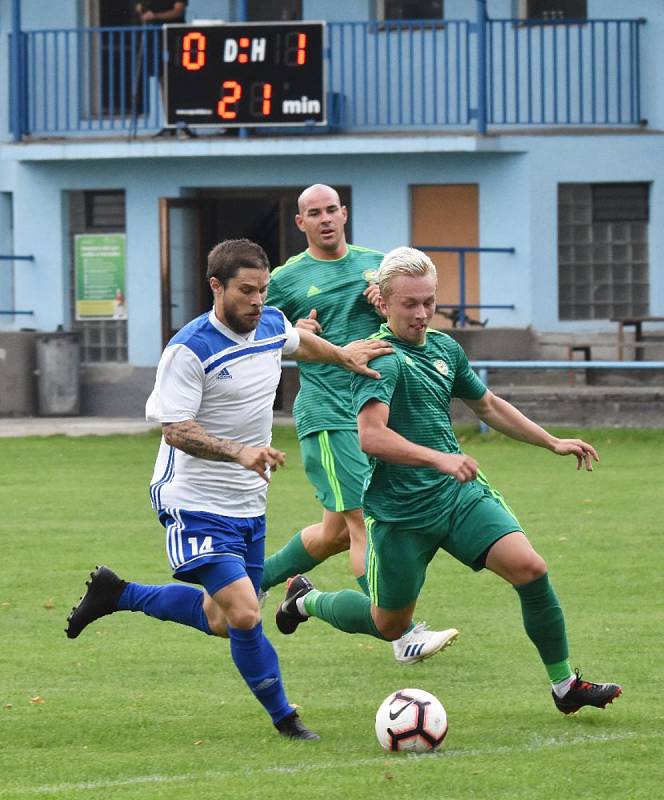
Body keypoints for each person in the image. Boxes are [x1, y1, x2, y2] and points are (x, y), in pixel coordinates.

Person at [65, 238, 392, 740]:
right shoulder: (189, 348)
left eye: (262, 289)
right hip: (191, 500)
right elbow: (175, 428)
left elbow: (299, 343)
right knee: (243, 612)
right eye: (246, 290)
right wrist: (239, 452)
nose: (257, 300)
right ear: (216, 286)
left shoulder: (269, 323)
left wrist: (342, 356)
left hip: (247, 501)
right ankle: (287, 720)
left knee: (220, 619)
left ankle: (120, 594)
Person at [276, 246, 622, 716]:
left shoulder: (444, 349)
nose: (421, 314)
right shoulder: (377, 359)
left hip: (457, 498)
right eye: (410, 304)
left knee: (531, 569)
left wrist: (551, 441)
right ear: (382, 302)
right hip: (400, 514)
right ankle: (307, 600)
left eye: (429, 302)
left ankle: (565, 686)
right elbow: (372, 437)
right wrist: (439, 458)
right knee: (389, 624)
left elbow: (489, 406)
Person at [261, 184, 458, 664]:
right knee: (362, 523)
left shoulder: (379, 265)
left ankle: (251, 582)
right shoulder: (288, 279)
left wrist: (386, 301)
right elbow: (246, 325)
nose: (325, 218)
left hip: (375, 415)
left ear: (344, 213)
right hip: (330, 418)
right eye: (314, 213)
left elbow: (414, 310)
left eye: (332, 209)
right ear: (300, 223)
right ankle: (402, 633)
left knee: (331, 534)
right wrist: (287, 332)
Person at [135, 1, 194, 139]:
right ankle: (170, 124)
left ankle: (183, 124)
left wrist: (155, 16)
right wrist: (141, 12)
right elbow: (143, 14)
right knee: (163, 81)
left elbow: (178, 11)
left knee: (178, 82)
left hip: (174, 38)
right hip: (155, 39)